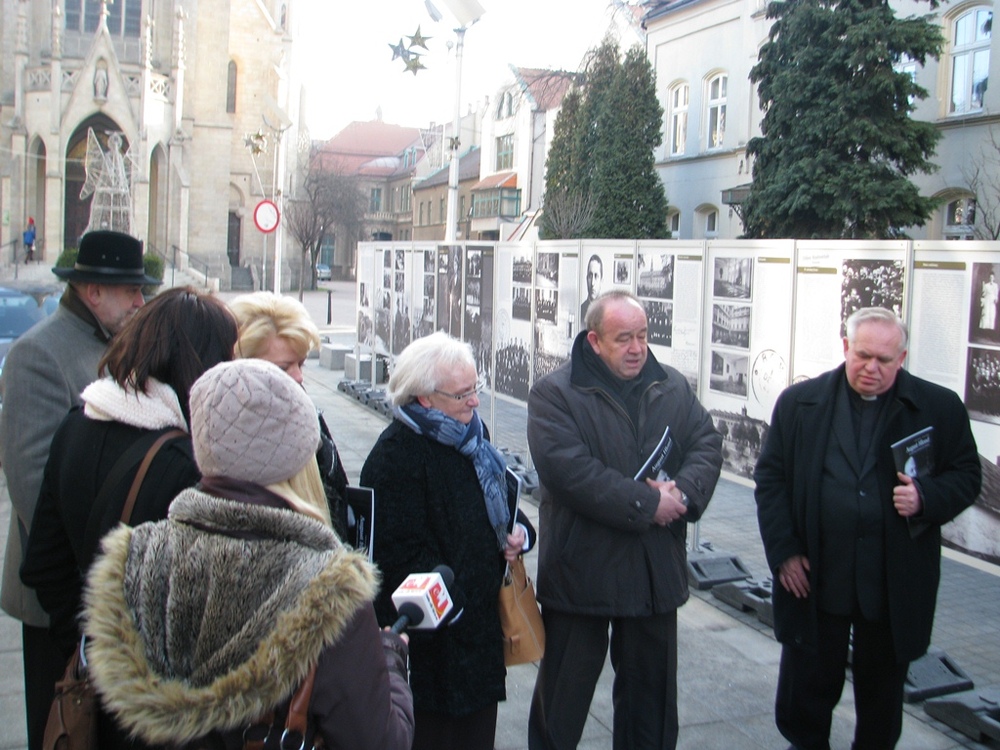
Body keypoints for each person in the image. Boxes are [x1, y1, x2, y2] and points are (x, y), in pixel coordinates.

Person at [80, 359, 415, 749]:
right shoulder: (329, 589)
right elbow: (381, 741)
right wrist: (391, 658)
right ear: (297, 457)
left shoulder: (135, 558)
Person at [754, 307, 982, 750]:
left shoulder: (937, 407)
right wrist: (783, 551)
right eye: (862, 356)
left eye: (884, 360)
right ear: (845, 347)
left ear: (903, 358)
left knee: (881, 706)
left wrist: (926, 498)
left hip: (891, 584)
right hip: (817, 578)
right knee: (806, 696)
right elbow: (771, 480)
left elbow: (967, 475)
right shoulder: (801, 404)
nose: (871, 368)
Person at [526, 290, 723, 750]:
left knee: (650, 715)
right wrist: (646, 503)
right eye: (623, 339)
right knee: (561, 708)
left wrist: (683, 493)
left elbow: (706, 444)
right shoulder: (555, 394)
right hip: (582, 576)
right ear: (594, 341)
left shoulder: (671, 386)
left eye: (643, 336)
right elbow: (570, 472)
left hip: (653, 576)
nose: (637, 348)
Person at [21, 287, 238, 673]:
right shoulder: (184, 466)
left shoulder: (74, 426)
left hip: (89, 679)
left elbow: (42, 566)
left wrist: (87, 644)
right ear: (203, 365)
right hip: (152, 703)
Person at [0, 229, 156, 750]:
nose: (141, 301)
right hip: (59, 603)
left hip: (110, 599)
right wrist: (88, 598)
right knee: (62, 727)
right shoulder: (37, 356)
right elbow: (32, 490)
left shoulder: (120, 347)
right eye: (132, 291)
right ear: (92, 292)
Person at [360, 331, 532, 750]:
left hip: (479, 640)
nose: (474, 402)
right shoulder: (394, 458)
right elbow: (392, 563)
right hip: (433, 653)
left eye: (475, 389)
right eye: (461, 395)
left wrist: (520, 533)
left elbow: (503, 501)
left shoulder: (473, 436)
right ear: (423, 399)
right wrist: (454, 596)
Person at [229, 291, 348, 535]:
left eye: (301, 363)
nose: (298, 376)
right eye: (283, 368)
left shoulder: (311, 418)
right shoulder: (224, 439)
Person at [580, 254, 603, 324]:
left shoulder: (607, 312)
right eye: (590, 276)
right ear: (587, 279)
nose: (592, 283)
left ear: (601, 281)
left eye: (596, 276)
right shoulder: (581, 310)